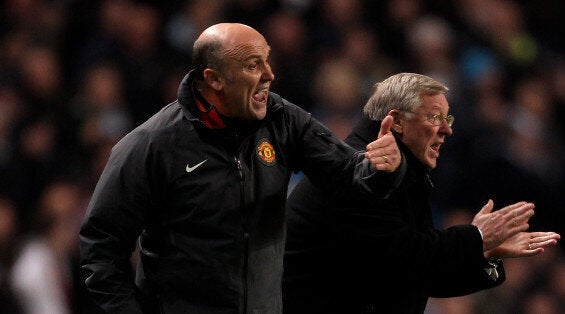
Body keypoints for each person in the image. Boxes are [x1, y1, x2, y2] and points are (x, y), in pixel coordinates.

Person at [79, 23, 405, 314]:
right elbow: (101, 244)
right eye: (253, 65)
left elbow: (346, 175)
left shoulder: (283, 120)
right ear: (214, 79)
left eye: (267, 60)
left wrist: (380, 169)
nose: (269, 74)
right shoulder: (152, 144)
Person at [282, 73, 561, 313]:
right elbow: (406, 255)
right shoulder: (359, 171)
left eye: (447, 117)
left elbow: (418, 275)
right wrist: (476, 238)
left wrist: (484, 252)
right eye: (435, 117)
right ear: (397, 122)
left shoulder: (406, 178)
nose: (447, 129)